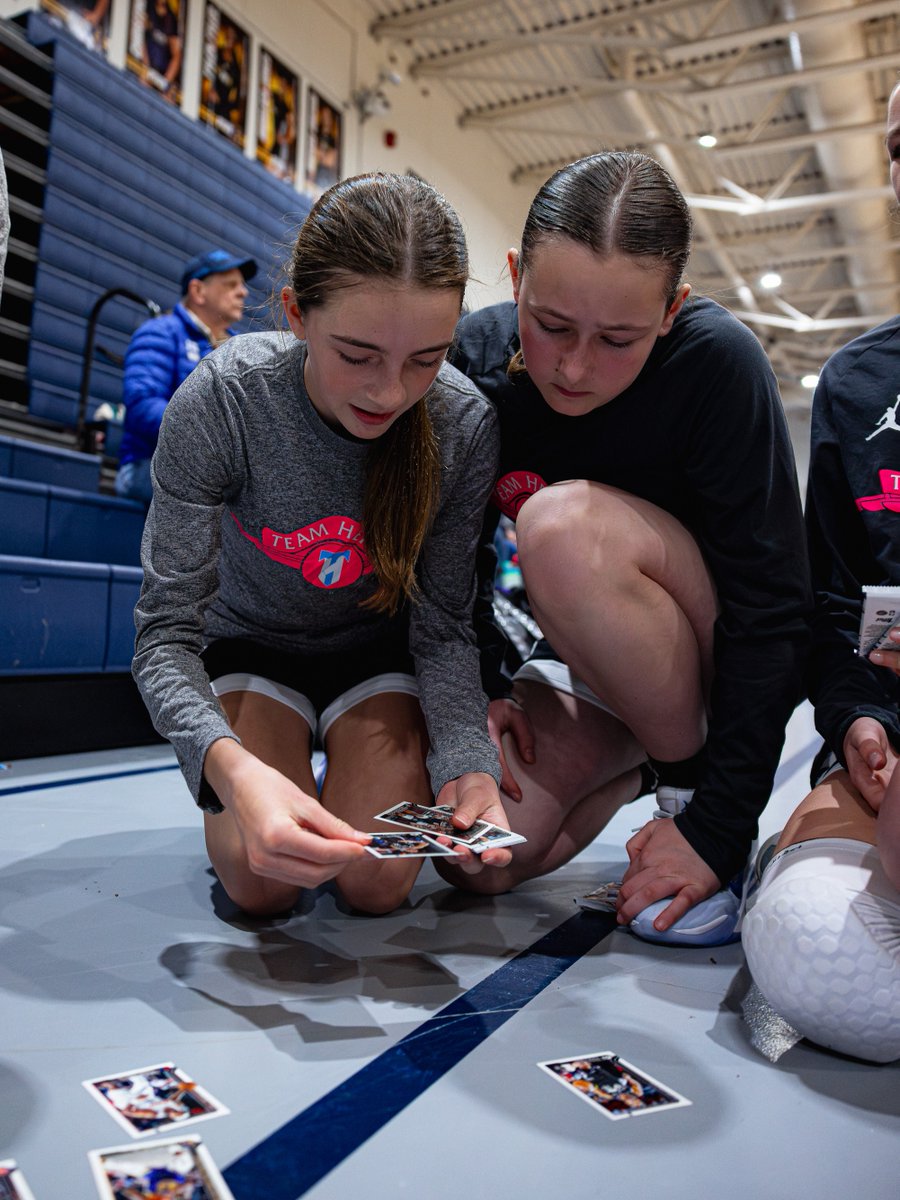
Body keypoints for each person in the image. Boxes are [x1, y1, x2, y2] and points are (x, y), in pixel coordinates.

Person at [448, 150, 812, 946]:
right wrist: (482, 688)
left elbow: (774, 609)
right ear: (515, 277)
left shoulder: (718, 365)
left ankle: (680, 781)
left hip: (715, 658)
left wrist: (717, 823)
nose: (575, 367)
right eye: (551, 326)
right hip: (594, 654)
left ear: (673, 307)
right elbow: (448, 563)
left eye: (619, 338)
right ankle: (640, 759)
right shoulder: (474, 361)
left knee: (558, 528)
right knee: (479, 858)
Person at [131, 172, 512, 919]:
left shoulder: (463, 424)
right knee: (263, 884)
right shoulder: (226, 399)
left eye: (426, 359)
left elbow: (443, 629)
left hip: (375, 659)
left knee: (376, 882)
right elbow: (164, 636)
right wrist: (228, 768)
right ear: (296, 314)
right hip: (250, 648)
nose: (390, 392)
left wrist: (469, 764)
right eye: (357, 355)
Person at [742, 82, 900, 1062]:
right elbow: (838, 605)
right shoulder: (856, 382)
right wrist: (856, 724)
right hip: (888, 746)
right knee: (813, 950)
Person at [115, 248, 257, 505]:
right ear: (198, 291)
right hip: (147, 466)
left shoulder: (241, 349)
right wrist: (210, 441)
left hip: (218, 474)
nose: (243, 292)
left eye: (242, 285)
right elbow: (142, 405)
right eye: (231, 285)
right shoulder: (160, 332)